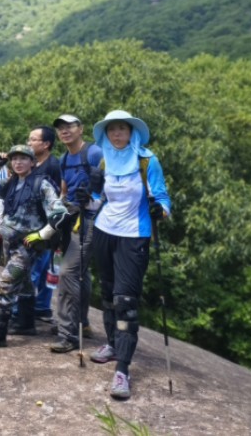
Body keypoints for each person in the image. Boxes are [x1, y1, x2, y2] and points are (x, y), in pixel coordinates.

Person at [86, 110, 171, 400]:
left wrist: (161, 210)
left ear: (132, 132)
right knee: (107, 293)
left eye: (122, 129)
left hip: (134, 237)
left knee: (126, 301)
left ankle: (123, 368)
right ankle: (112, 344)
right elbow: (99, 196)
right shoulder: (104, 160)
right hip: (104, 231)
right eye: (112, 130)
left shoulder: (148, 161)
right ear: (106, 134)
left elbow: (162, 198)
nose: (117, 134)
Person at [0, 144, 66, 350]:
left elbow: (59, 213)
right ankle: (25, 323)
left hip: (27, 246)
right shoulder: (11, 182)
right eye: (14, 158)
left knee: (4, 286)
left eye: (23, 158)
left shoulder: (40, 184)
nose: (18, 162)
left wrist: (41, 234)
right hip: (10, 243)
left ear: (33, 162)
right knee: (23, 283)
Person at [50, 114, 102, 353]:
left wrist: (93, 199)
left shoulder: (93, 153)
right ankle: (82, 322)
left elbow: (112, 185)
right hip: (72, 219)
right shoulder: (63, 158)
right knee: (81, 272)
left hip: (92, 219)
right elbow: (64, 191)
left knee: (68, 273)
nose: (65, 131)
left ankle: (68, 333)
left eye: (70, 126)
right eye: (61, 128)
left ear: (81, 128)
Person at [26, 125, 62, 324]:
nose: (29, 143)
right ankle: (40, 307)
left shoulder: (54, 166)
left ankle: (37, 307)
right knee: (39, 269)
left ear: (46, 144)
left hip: (47, 227)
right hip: (32, 224)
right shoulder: (32, 164)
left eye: (33, 139)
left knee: (40, 269)